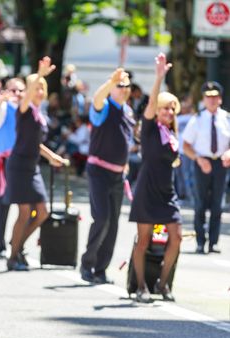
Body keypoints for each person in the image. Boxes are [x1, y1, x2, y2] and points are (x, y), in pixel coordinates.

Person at [4, 57, 68, 271]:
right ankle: (12, 257)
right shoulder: (24, 109)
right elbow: (27, 97)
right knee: (24, 212)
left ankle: (18, 246)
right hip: (19, 165)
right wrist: (39, 74)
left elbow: (36, 142)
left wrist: (52, 157)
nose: (40, 91)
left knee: (42, 212)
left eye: (42, 88)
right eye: (36, 88)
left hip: (33, 167)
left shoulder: (40, 113)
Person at [129, 53, 182, 303]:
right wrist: (159, 76)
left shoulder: (171, 134)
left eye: (172, 108)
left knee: (176, 237)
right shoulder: (150, 127)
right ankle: (141, 287)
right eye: (164, 108)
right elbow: (151, 103)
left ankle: (163, 284)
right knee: (144, 242)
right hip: (147, 190)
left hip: (166, 193)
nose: (168, 112)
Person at [80, 67, 135, 284]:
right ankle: (87, 264)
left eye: (125, 85)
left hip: (118, 175)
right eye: (118, 86)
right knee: (101, 218)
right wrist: (111, 81)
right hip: (99, 171)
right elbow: (97, 99)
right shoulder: (104, 106)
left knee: (113, 224)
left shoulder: (128, 111)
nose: (123, 89)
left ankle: (101, 269)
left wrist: (126, 164)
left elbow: (125, 141)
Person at [183, 81, 230, 254]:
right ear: (204, 99)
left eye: (215, 97)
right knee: (200, 203)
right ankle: (201, 241)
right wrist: (198, 159)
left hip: (220, 163)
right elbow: (186, 145)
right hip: (202, 162)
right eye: (209, 97)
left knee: (218, 204)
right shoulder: (197, 119)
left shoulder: (226, 118)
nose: (212, 100)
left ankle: (214, 242)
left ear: (220, 99)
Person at [0, 78, 25, 258]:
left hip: (20, 163)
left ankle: (17, 242)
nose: (17, 94)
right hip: (2, 163)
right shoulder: (3, 108)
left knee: (27, 205)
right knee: (1, 206)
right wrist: (2, 98)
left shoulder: (25, 110)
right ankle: (0, 245)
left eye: (20, 91)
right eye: (13, 90)